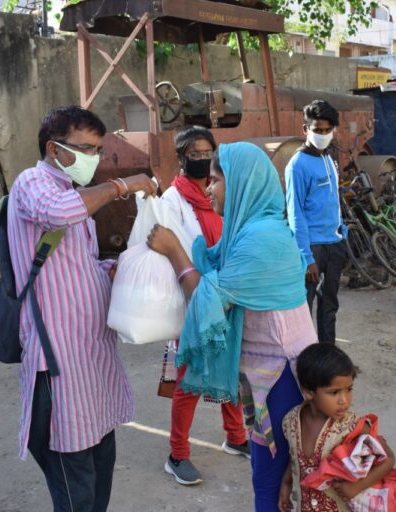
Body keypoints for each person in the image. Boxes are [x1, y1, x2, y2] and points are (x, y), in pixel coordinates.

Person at [147, 142, 318, 511]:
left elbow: (208, 303)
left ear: (243, 183)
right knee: (272, 472)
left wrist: (176, 251)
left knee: (272, 479)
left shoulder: (261, 241)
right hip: (268, 374)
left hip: (280, 376)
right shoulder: (250, 230)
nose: (210, 189)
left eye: (217, 180)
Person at [7, 106, 156, 511]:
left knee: (99, 470)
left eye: (98, 150)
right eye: (85, 149)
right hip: (58, 370)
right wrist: (122, 185)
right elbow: (58, 214)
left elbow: (79, 265)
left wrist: (121, 268)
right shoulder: (33, 183)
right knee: (75, 490)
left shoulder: (74, 195)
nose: (94, 158)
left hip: (91, 367)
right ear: (54, 149)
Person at [160, 127, 248, 486]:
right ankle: (177, 454)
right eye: (194, 153)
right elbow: (173, 249)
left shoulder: (218, 191)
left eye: (207, 151)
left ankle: (236, 436)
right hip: (192, 296)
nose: (201, 157)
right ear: (181, 158)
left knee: (231, 364)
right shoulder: (172, 199)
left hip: (224, 291)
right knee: (190, 377)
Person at [278, 343, 396, 512]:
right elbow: (295, 455)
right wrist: (287, 482)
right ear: (309, 392)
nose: (344, 400)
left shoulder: (353, 426)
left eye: (348, 389)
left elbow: (388, 459)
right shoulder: (291, 422)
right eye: (334, 393)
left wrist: (356, 487)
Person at [285, 99, 347, 344]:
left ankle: (328, 358)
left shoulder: (329, 158)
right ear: (305, 129)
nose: (322, 135)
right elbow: (295, 213)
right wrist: (306, 257)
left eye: (327, 130)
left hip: (335, 244)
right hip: (312, 249)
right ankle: (304, 360)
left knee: (329, 306)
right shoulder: (297, 165)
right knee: (303, 310)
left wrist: (343, 233)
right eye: (317, 130)